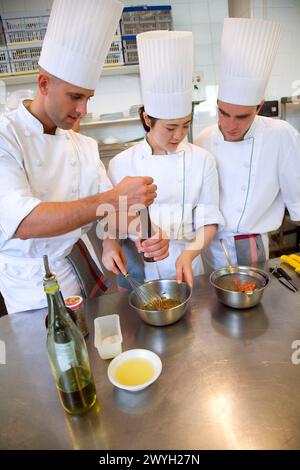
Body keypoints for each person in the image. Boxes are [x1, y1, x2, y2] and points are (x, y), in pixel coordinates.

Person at [0, 0, 168, 314]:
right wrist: (117, 195)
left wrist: (143, 230)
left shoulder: (83, 145)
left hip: (80, 263)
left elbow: (107, 210)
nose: (83, 110)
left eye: (88, 98)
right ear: (44, 84)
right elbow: (24, 221)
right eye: (75, 96)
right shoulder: (6, 136)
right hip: (32, 283)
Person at [106, 31, 224, 288]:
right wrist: (111, 244)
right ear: (148, 119)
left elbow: (208, 219)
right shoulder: (122, 163)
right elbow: (111, 219)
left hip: (187, 262)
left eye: (185, 125)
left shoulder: (202, 160)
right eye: (170, 128)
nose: (179, 135)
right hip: (137, 268)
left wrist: (190, 253)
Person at [195, 18, 300, 271]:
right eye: (223, 113)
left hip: (253, 246)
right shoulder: (203, 139)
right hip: (208, 245)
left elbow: (297, 196)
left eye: (242, 116)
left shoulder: (281, 135)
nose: (230, 125)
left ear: (258, 107)